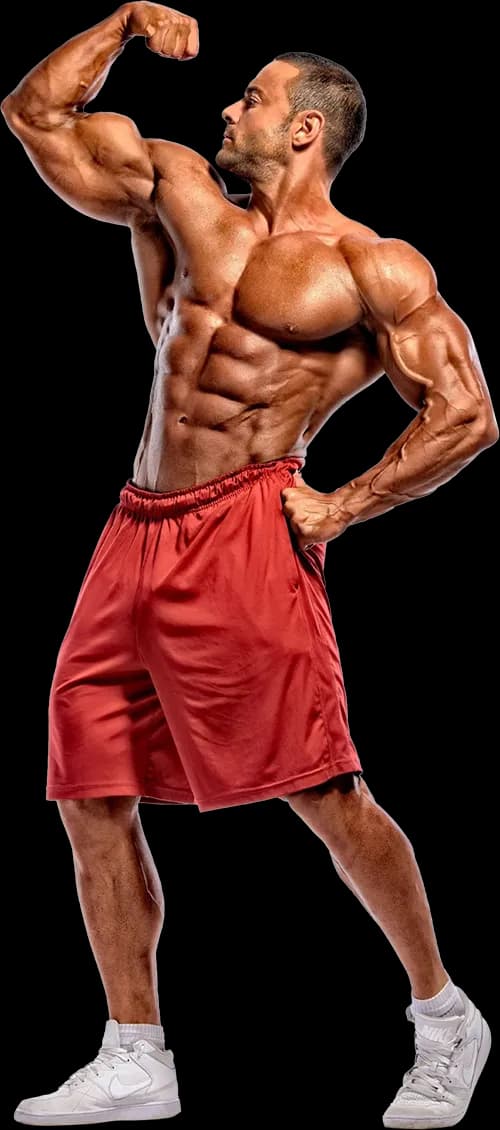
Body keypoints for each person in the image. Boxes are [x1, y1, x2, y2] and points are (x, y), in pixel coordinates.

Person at [2, 3, 497, 1126]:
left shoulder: (370, 265)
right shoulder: (179, 194)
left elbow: (465, 412)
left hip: (247, 526)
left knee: (318, 785)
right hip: (135, 525)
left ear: (304, 129)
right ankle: (135, 1052)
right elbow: (37, 115)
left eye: (253, 98)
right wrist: (125, 23)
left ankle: (443, 1015)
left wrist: (341, 506)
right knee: (88, 788)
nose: (229, 108)